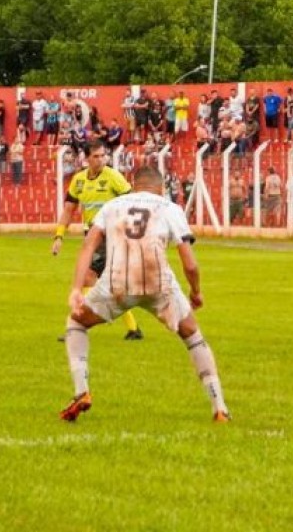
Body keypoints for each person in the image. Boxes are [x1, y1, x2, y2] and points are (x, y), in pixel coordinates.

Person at [59, 165, 230, 423]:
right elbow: (190, 263)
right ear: (160, 188)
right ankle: (219, 407)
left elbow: (88, 245)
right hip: (158, 283)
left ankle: (81, 390)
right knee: (192, 335)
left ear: (133, 183)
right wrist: (196, 292)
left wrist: (75, 288)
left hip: (117, 283)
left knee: (76, 323)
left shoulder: (113, 206)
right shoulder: (169, 208)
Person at [51, 139, 143, 341]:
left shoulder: (113, 177)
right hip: (91, 236)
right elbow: (69, 210)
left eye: (103, 156)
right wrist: (59, 235)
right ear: (86, 158)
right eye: (96, 156)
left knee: (87, 279)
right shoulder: (79, 180)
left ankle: (77, 327)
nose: (101, 160)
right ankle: (133, 329)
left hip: (110, 235)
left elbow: (132, 202)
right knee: (113, 286)